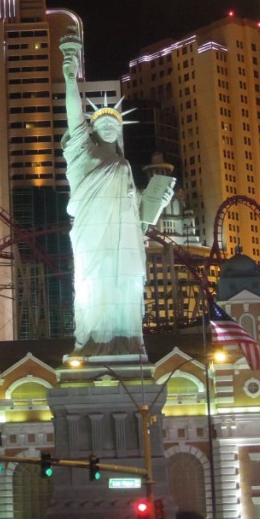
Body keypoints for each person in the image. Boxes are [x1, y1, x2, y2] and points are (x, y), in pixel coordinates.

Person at [60, 28, 174, 358]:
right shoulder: (85, 153)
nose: (109, 126)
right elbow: (74, 117)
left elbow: (137, 214)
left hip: (125, 240)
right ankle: (92, 343)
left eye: (115, 124)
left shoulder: (123, 166)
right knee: (92, 286)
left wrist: (157, 205)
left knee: (127, 284)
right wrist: (70, 78)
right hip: (92, 235)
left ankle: (128, 342)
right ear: (93, 130)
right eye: (103, 124)